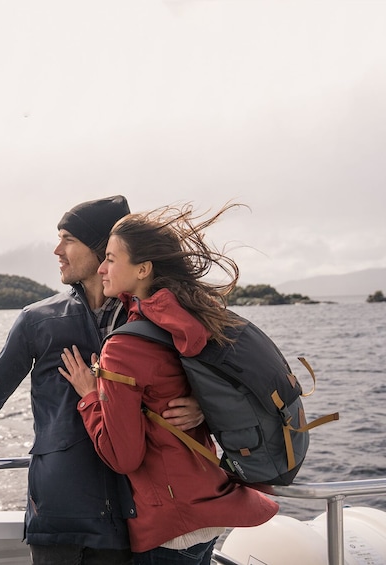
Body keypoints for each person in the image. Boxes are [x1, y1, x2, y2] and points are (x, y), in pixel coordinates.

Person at [0, 195, 205, 565]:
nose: (57, 250)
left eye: (68, 239)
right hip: (58, 514)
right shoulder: (39, 320)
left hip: (133, 515)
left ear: (100, 249)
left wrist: (203, 407)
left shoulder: (152, 318)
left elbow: (216, 381)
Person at [59, 203, 279, 565]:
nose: (101, 268)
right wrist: (201, 408)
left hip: (172, 523)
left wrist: (89, 397)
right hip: (209, 502)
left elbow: (123, 457)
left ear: (143, 269)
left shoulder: (125, 346)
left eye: (111, 259)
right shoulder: (188, 317)